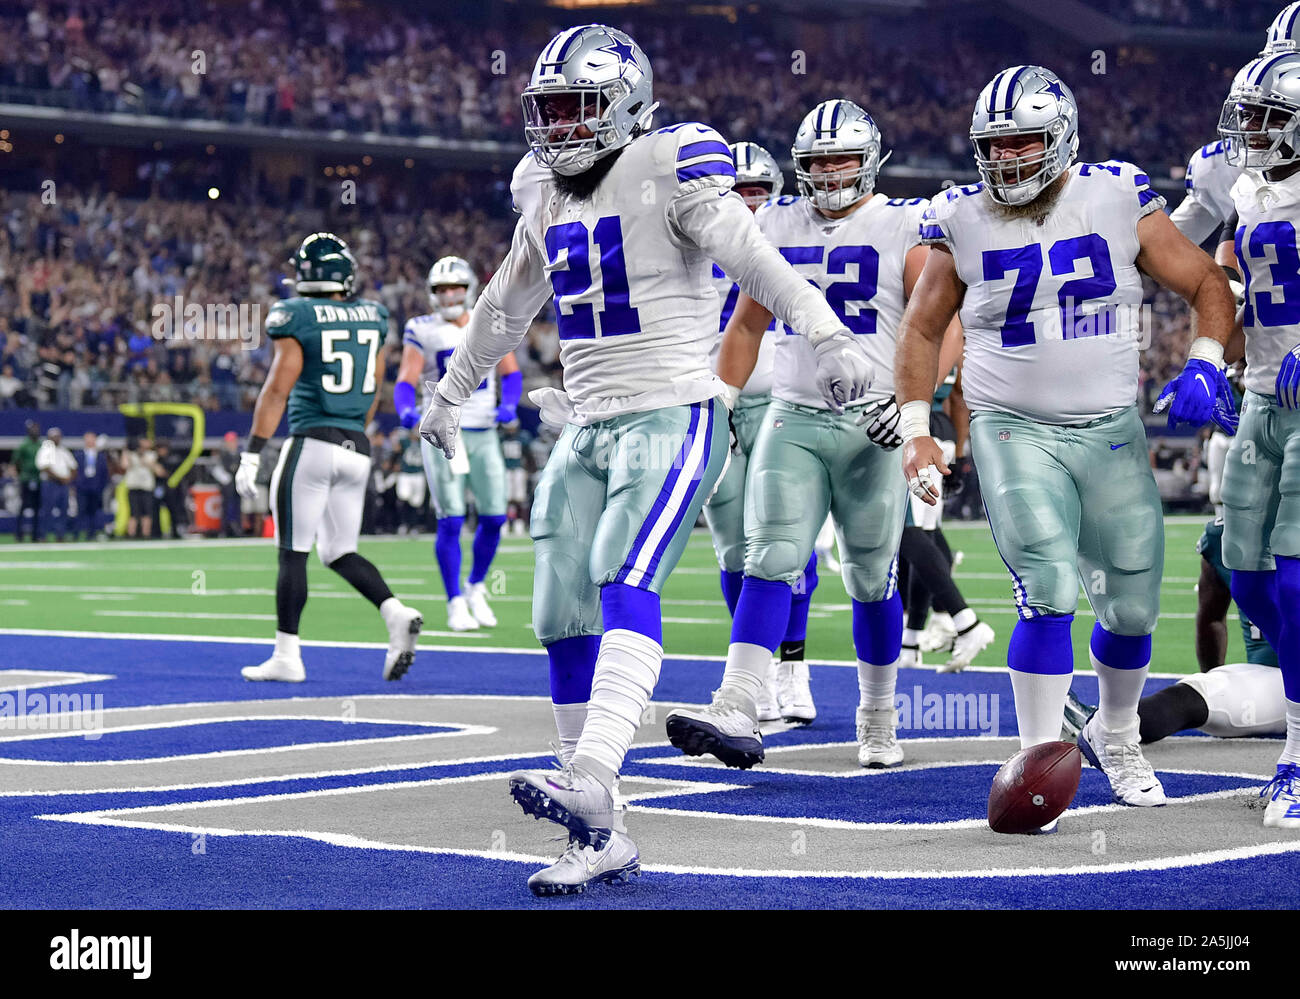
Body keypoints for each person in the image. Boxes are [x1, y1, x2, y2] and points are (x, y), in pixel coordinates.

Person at [419, 25, 874, 895]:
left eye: (573, 107)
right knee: (557, 606)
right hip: (588, 423)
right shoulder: (544, 191)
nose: (556, 127)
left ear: (625, 104)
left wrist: (827, 331)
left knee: (627, 576)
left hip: (674, 411)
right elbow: (506, 302)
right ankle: (600, 829)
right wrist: (450, 390)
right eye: (545, 109)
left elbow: (754, 259)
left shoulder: (672, 159)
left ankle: (592, 772)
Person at [895, 65, 1236, 826]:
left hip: (1110, 431)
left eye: (1025, 141)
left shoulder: (1115, 194)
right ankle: (1037, 760)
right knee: (1046, 585)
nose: (1009, 159)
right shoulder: (960, 216)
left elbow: (1207, 281)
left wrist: (1207, 361)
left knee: (1134, 605)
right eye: (996, 144)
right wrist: (918, 430)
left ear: (1064, 138)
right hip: (1014, 427)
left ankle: (1116, 735)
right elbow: (920, 327)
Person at [666, 99, 948, 769]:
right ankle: (738, 701)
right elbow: (746, 326)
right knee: (770, 555)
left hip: (870, 425)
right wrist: (726, 399)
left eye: (841, 158)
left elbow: (939, 324)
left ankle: (878, 713)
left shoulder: (902, 225)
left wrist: (914, 406)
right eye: (817, 161)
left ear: (869, 159)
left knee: (870, 575)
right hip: (794, 414)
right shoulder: (779, 220)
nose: (828, 172)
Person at [234, 232, 423, 683]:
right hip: (356, 447)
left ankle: (287, 655)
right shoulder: (373, 315)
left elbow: (278, 389)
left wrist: (253, 452)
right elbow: (374, 390)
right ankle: (394, 613)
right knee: (339, 551)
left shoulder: (295, 314)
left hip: (311, 444)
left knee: (293, 553)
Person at [699, 140, 815, 723]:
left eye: (756, 191)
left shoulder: (790, 235)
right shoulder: (690, 236)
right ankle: (758, 673)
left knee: (785, 541)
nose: (746, 203)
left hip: (781, 397)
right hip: (713, 399)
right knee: (731, 543)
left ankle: (794, 668)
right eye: (735, 191)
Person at [1214, 51, 1300, 829]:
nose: (1253, 130)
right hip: (1264, 396)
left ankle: (1299, 754)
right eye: (1249, 114)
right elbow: (1250, 290)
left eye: (1269, 115)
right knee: (1242, 567)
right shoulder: (1252, 188)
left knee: (1299, 573)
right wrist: (1221, 359)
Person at [395, 256, 519, 630]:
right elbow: (406, 378)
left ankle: (476, 585)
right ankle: (454, 602)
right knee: (451, 519)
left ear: (468, 289)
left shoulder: (489, 321)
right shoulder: (422, 329)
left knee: (496, 517)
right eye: (442, 289)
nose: (449, 294)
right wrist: (405, 409)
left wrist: (510, 404)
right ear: (433, 294)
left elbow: (510, 373)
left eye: (455, 288)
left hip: (482, 431)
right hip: (442, 431)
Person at [35, 428, 77, 542]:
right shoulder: (45, 450)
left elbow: (73, 467)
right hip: (50, 484)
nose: (56, 438)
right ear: (49, 438)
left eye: (58, 436)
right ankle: (42, 535)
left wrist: (69, 479)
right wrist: (61, 478)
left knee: (64, 510)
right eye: (54, 436)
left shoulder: (64, 451)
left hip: (63, 485)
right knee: (47, 510)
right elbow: (45, 467)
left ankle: (61, 535)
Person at [122, 437, 164, 539]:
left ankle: (146, 534)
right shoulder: (131, 454)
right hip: (134, 486)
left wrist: (145, 459)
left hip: (146, 487)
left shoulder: (151, 455)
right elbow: (125, 465)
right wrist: (126, 452)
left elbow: (159, 471)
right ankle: (131, 534)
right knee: (133, 512)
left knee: (147, 512)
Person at [74, 431, 109, 540]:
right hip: (82, 487)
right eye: (87, 439)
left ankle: (92, 533)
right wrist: (76, 485)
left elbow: (104, 473)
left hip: (95, 487)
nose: (89, 441)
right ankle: (78, 534)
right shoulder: (78, 455)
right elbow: (74, 472)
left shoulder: (101, 456)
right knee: (81, 510)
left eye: (92, 438)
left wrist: (101, 486)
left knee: (93, 511)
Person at [14, 420, 41, 542]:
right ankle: (19, 534)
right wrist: (22, 474)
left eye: (37, 429)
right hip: (26, 479)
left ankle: (35, 535)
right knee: (23, 507)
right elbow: (17, 462)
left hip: (39, 479)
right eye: (33, 429)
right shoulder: (24, 445)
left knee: (37, 508)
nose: (35, 431)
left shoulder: (41, 444)